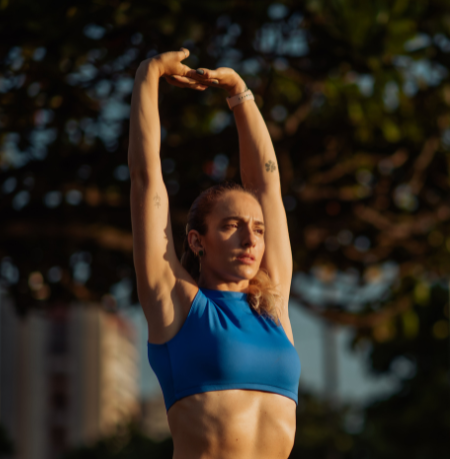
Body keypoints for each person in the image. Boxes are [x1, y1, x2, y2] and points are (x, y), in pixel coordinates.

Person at [128, 48, 301, 459]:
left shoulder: (272, 304)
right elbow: (146, 180)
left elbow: (266, 188)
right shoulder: (176, 303)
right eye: (231, 226)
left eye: (258, 230)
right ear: (196, 241)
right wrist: (148, 76)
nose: (251, 239)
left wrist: (240, 93)